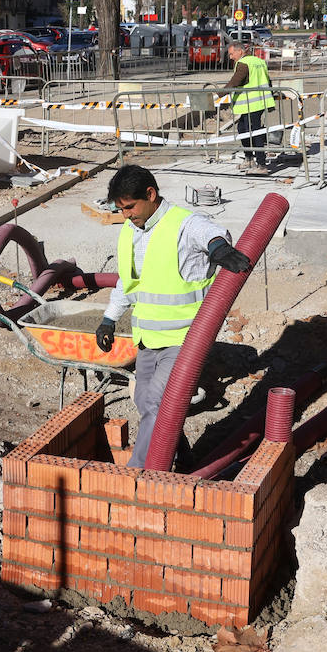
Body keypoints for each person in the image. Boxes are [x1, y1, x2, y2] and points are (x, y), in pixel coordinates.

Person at [94, 165, 253, 469]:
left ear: (150, 195)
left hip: (184, 339)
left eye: (130, 207)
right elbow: (127, 282)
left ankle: (140, 473)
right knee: (144, 402)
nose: (126, 215)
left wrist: (218, 248)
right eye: (120, 209)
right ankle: (185, 459)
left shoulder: (181, 223)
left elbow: (211, 232)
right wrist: (109, 318)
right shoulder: (131, 231)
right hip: (147, 339)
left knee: (157, 404)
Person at [220, 41, 277, 171]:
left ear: (240, 51)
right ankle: (249, 158)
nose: (230, 57)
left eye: (231, 54)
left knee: (254, 132)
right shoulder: (258, 61)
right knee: (242, 129)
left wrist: (217, 95)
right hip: (259, 102)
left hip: (252, 104)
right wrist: (270, 100)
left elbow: (235, 82)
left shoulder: (243, 64)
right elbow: (268, 81)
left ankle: (261, 164)